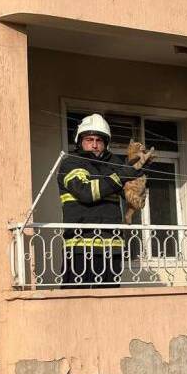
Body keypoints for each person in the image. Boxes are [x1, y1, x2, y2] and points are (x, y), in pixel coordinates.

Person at [58, 113, 146, 287]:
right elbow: (86, 193)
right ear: (80, 141)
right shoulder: (71, 163)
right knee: (77, 304)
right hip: (80, 247)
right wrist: (121, 175)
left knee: (109, 303)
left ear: (106, 142)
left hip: (112, 248)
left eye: (99, 140)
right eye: (89, 139)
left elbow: (134, 198)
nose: (94, 144)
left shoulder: (114, 163)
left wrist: (138, 172)